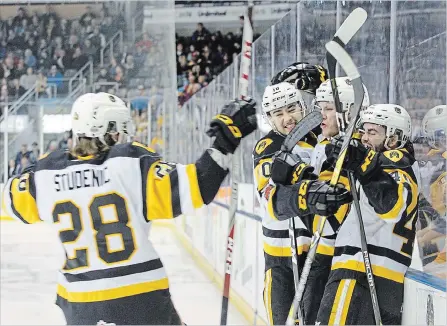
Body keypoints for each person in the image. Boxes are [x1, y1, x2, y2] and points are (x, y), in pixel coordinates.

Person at [1, 92, 258, 325]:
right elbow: (198, 185)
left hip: (80, 304)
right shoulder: (129, 162)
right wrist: (226, 139)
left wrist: (38, 167)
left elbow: (12, 200)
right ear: (111, 131)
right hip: (140, 296)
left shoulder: (47, 173)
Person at [252, 63, 351, 325]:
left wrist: (321, 81)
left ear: (304, 106)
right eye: (278, 113)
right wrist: (306, 187)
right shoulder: (268, 146)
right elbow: (273, 196)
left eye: (292, 109)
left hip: (314, 253)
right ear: (269, 118)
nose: (287, 119)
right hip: (281, 258)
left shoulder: (316, 138)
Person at [316, 104, 419, 325]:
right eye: (363, 131)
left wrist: (362, 164)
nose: (364, 138)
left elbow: (391, 206)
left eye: (372, 132)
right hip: (381, 282)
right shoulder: (386, 168)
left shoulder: (395, 170)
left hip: (360, 275)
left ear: (393, 139)